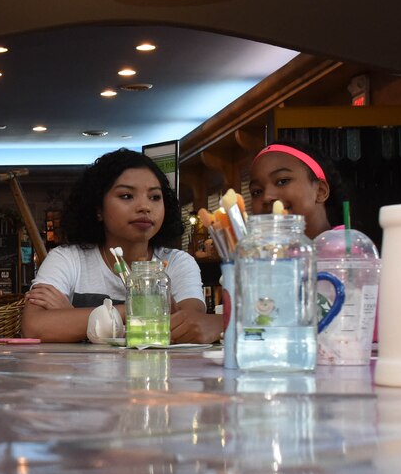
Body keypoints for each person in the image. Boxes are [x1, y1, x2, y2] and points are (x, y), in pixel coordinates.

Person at [22, 149, 211, 343]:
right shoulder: (67, 259)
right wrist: (142, 309)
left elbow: (187, 329)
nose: (145, 207)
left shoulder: (176, 262)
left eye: (154, 197)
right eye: (127, 196)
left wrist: (75, 316)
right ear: (98, 209)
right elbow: (34, 327)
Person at [244, 141, 338, 238]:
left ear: (320, 191)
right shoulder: (255, 252)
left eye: (282, 181)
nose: (267, 197)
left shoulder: (348, 248)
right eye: (257, 191)